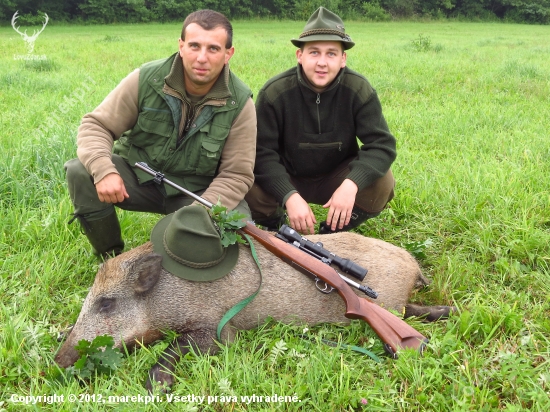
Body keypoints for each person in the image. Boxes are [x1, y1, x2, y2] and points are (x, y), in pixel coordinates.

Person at [65, 9, 256, 258]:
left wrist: (198, 215)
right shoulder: (147, 79)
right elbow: (96, 125)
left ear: (228, 54)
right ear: (181, 46)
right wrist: (104, 170)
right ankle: (109, 256)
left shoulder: (240, 103)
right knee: (80, 170)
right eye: (194, 46)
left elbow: (236, 174)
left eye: (213, 49)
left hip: (196, 191)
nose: (201, 58)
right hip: (138, 176)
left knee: (238, 226)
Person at [245, 7, 396, 235]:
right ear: (300, 56)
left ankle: (333, 231)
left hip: (336, 176)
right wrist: (289, 196)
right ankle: (278, 226)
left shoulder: (359, 90)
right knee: (246, 182)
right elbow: (261, 152)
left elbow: (381, 146)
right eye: (314, 52)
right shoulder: (274, 92)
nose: (322, 62)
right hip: (289, 175)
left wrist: (351, 184)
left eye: (331, 53)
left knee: (382, 180)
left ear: (343, 59)